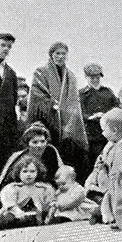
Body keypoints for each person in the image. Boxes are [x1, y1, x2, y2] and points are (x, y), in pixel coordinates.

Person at [27, 42, 88, 182]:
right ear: (51, 55)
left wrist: (70, 121)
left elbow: (74, 102)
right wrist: (52, 106)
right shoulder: (41, 72)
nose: (60, 57)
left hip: (67, 124)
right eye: (57, 54)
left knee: (68, 155)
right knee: (47, 154)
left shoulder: (71, 76)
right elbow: (37, 96)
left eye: (63, 54)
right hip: (47, 121)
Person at [0, 122, 63, 195]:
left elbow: (62, 173)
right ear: (27, 144)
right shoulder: (19, 158)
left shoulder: (51, 151)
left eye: (43, 141)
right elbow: (5, 183)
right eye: (35, 142)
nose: (39, 145)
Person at [0, 155, 55, 230]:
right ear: (19, 173)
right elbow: (9, 203)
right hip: (16, 217)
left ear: (38, 172)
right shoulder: (13, 188)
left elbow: (50, 204)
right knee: (7, 219)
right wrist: (17, 211)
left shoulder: (44, 188)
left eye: (32, 171)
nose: (28, 174)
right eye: (25, 171)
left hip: (38, 219)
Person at [79, 63, 119, 170]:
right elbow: (79, 113)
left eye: (97, 77)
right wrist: (91, 117)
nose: (95, 80)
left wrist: (107, 115)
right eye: (92, 77)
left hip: (108, 134)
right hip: (91, 135)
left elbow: (117, 108)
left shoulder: (108, 92)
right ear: (86, 77)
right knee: (93, 163)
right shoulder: (81, 94)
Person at [0, 33, 19, 174]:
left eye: (9, 46)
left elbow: (13, 101)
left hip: (5, 128)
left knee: (3, 164)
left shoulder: (11, 73)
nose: (6, 49)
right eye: (3, 45)